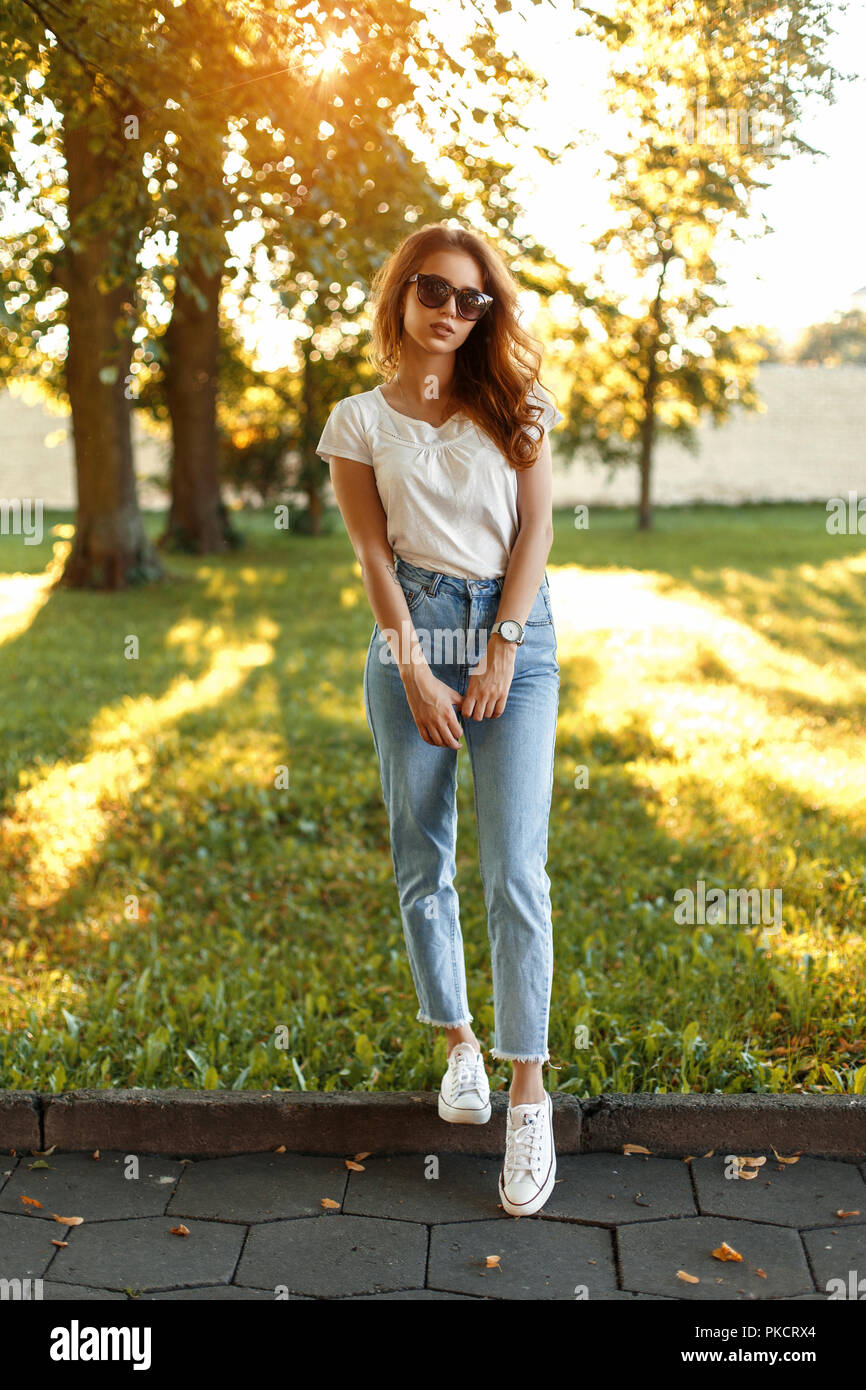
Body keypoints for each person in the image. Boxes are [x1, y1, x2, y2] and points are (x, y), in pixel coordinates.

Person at [316, 222, 562, 1217]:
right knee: (421, 854)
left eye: (473, 300)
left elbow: (536, 527)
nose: (453, 311)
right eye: (434, 290)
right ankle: (456, 1041)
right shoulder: (356, 422)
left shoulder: (518, 407)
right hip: (408, 630)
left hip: (514, 632)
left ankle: (528, 1095)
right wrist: (413, 667)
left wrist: (501, 643)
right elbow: (374, 558)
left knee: (513, 866)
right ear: (401, 293)